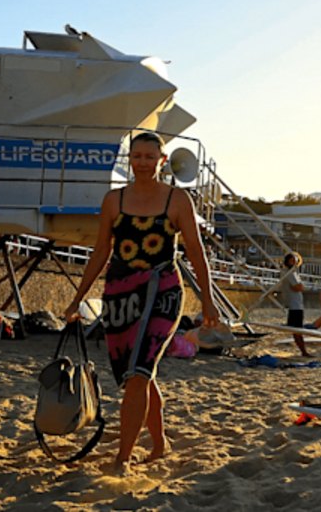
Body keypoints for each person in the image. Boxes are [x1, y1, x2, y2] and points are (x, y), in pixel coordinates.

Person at [63, 132, 219, 472]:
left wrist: (208, 300)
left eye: (150, 157)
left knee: (139, 372)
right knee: (137, 375)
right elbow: (101, 250)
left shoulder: (177, 200)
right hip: (119, 294)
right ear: (129, 160)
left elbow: (195, 250)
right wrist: (77, 298)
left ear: (162, 161)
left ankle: (123, 458)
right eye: (137, 156)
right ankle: (160, 444)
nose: (143, 163)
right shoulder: (113, 200)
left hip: (163, 291)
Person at [279, 252, 310, 357]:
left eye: (294, 260)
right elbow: (299, 287)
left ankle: (303, 351)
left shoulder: (292, 272)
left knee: (296, 330)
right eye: (291, 260)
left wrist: (299, 287)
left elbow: (299, 287)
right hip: (294, 305)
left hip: (297, 304)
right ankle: (304, 352)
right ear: (287, 261)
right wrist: (299, 287)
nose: (293, 262)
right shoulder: (289, 273)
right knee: (297, 330)